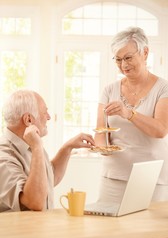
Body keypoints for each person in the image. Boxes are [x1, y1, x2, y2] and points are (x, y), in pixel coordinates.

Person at [95, 26, 168, 204]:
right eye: (118, 60)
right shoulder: (109, 90)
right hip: (113, 175)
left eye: (128, 58)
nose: (123, 65)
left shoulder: (163, 88)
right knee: (109, 229)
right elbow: (101, 131)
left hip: (151, 177)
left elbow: (161, 130)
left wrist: (128, 114)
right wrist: (102, 147)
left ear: (145, 53)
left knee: (149, 231)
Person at [0, 90, 95, 212]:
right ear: (28, 119)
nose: (49, 117)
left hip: (40, 228)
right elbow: (35, 202)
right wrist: (37, 147)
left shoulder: (31, 143)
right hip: (19, 230)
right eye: (45, 112)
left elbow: (50, 178)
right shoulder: (4, 156)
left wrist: (67, 147)